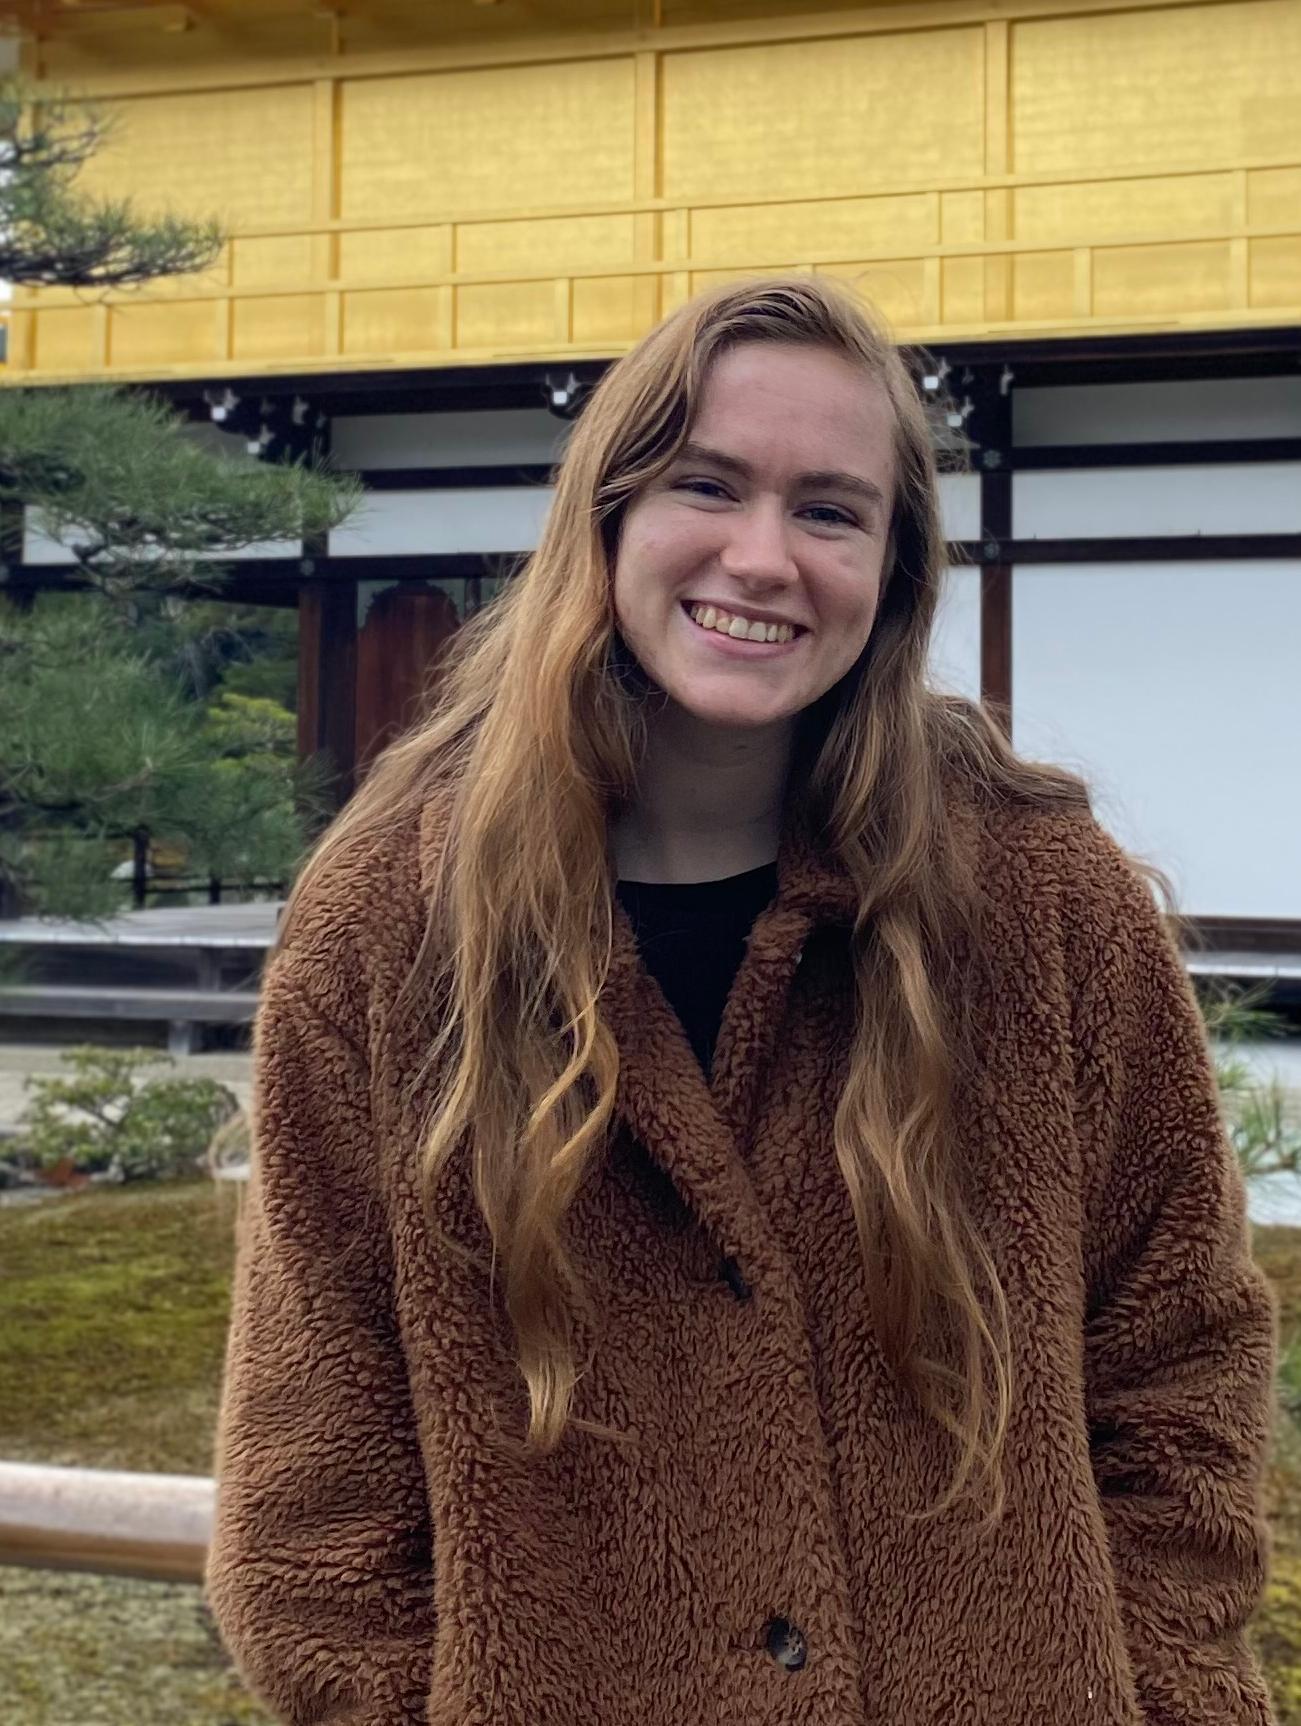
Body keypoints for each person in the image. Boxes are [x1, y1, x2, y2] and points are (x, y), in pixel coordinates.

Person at [204, 276, 1279, 1726]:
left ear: (893, 567)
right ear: (606, 516)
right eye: (705, 485)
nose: (762, 558)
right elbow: (314, 1491)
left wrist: (1172, 1691)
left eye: (831, 511)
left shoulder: (1035, 898)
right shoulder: (392, 929)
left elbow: (1179, 1357)